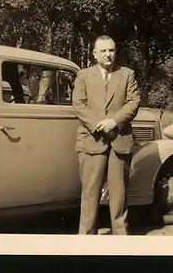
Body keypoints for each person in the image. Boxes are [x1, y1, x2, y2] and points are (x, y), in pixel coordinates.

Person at [72, 35, 140, 235]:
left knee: (119, 196)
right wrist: (98, 125)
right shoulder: (84, 76)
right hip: (92, 141)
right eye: (103, 51)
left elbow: (133, 102)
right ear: (94, 54)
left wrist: (114, 121)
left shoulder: (127, 74)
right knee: (89, 194)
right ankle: (86, 242)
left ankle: (120, 243)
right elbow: (78, 104)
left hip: (120, 141)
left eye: (111, 50)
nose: (108, 54)